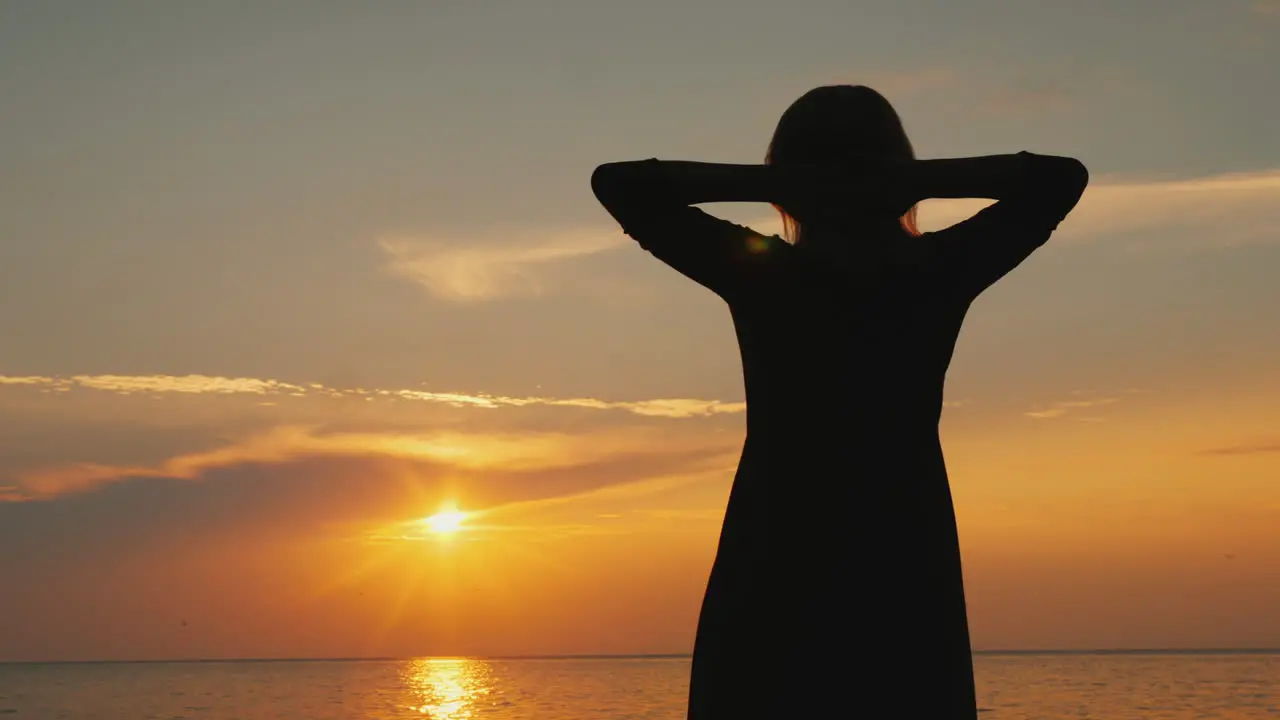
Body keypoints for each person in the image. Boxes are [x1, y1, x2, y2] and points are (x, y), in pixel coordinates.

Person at [590, 85, 1088, 719]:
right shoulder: (935, 267)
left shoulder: (771, 273)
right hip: (896, 551)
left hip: (782, 546)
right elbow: (1055, 182)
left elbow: (624, 187)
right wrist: (899, 180)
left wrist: (795, 183)